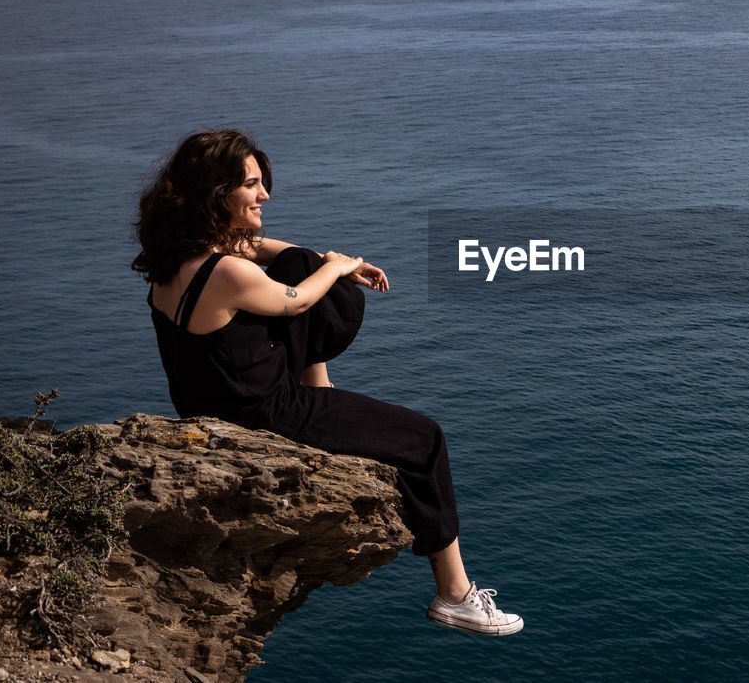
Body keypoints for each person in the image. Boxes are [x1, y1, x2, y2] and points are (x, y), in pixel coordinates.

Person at [132, 128, 521, 637]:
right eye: (252, 184)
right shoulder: (231, 273)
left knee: (299, 260)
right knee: (423, 439)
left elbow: (271, 254)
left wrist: (327, 263)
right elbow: (294, 299)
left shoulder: (176, 263)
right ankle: (455, 595)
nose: (265, 194)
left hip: (207, 405)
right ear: (216, 192)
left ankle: (319, 385)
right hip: (267, 411)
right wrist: (337, 267)